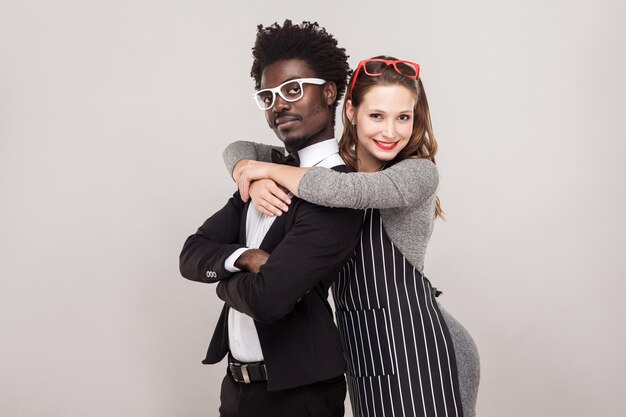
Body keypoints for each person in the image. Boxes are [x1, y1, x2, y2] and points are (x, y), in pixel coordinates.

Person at [223, 57, 480, 417]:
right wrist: (246, 171)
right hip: (363, 351)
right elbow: (238, 148)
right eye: (377, 116)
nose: (390, 131)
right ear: (351, 112)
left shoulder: (417, 174)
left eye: (403, 117)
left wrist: (264, 170)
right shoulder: (326, 166)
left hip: (420, 347)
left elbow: (345, 191)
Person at [179, 20, 363, 417]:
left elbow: (268, 299)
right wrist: (245, 257)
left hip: (299, 396)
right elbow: (190, 254)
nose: (279, 104)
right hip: (237, 388)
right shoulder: (263, 173)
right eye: (268, 96)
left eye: (293, 89)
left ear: (329, 92)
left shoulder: (338, 192)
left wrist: (221, 281)